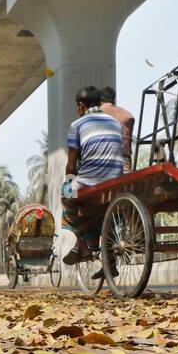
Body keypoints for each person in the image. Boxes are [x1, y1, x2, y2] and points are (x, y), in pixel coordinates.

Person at [62, 85, 126, 265]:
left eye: (77, 107)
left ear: (81, 105)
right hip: (116, 181)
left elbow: (71, 165)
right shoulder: (115, 123)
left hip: (90, 181)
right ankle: (108, 261)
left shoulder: (76, 125)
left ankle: (82, 246)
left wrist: (69, 182)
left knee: (65, 195)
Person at [99, 86, 136, 170]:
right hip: (124, 161)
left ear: (100, 100)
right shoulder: (128, 115)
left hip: (102, 160)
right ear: (113, 99)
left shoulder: (95, 114)